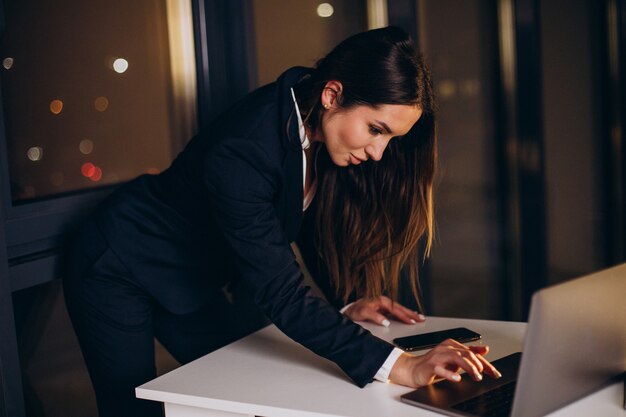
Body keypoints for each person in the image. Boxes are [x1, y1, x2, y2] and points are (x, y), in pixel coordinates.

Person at [63, 26, 501, 417]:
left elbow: (302, 220)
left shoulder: (312, 121)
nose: (378, 153)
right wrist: (401, 366)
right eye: (376, 129)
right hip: (117, 263)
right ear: (333, 94)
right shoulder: (243, 150)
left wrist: (347, 301)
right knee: (132, 410)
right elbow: (279, 291)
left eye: (390, 138)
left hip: (193, 277)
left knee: (244, 391)